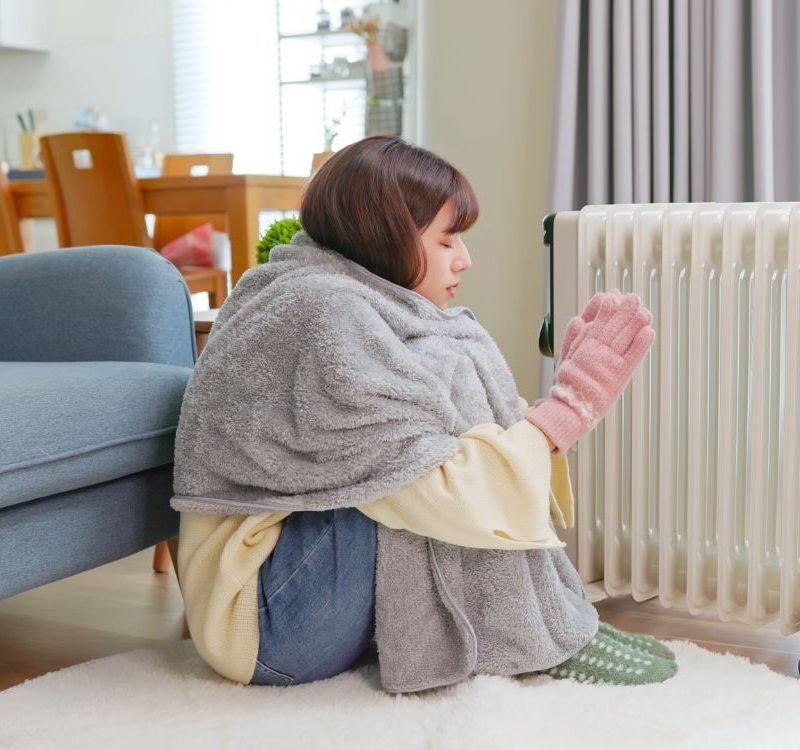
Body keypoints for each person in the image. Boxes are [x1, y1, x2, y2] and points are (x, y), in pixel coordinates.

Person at [170, 135, 676, 691]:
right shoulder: (321, 312)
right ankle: (530, 637)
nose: (465, 259)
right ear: (384, 235)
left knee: (429, 433)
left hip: (300, 596)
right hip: (266, 627)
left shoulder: (350, 299)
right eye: (446, 240)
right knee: (417, 469)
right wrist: (569, 408)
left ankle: (546, 620)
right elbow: (436, 488)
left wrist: (553, 414)